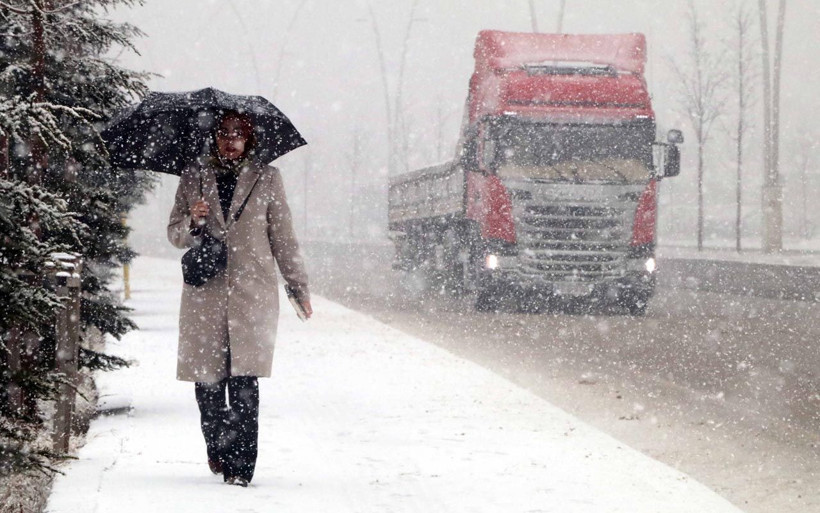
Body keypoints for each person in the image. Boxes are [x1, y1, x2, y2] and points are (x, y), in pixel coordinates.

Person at [167, 110, 312, 487]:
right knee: (209, 385)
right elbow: (174, 234)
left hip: (253, 294)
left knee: (245, 384)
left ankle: (241, 468)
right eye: (224, 134)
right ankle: (217, 446)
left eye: (238, 134)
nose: (230, 140)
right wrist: (193, 221)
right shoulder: (193, 176)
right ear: (214, 138)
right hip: (206, 295)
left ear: (250, 140)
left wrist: (297, 287)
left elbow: (283, 238)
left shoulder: (268, 178)